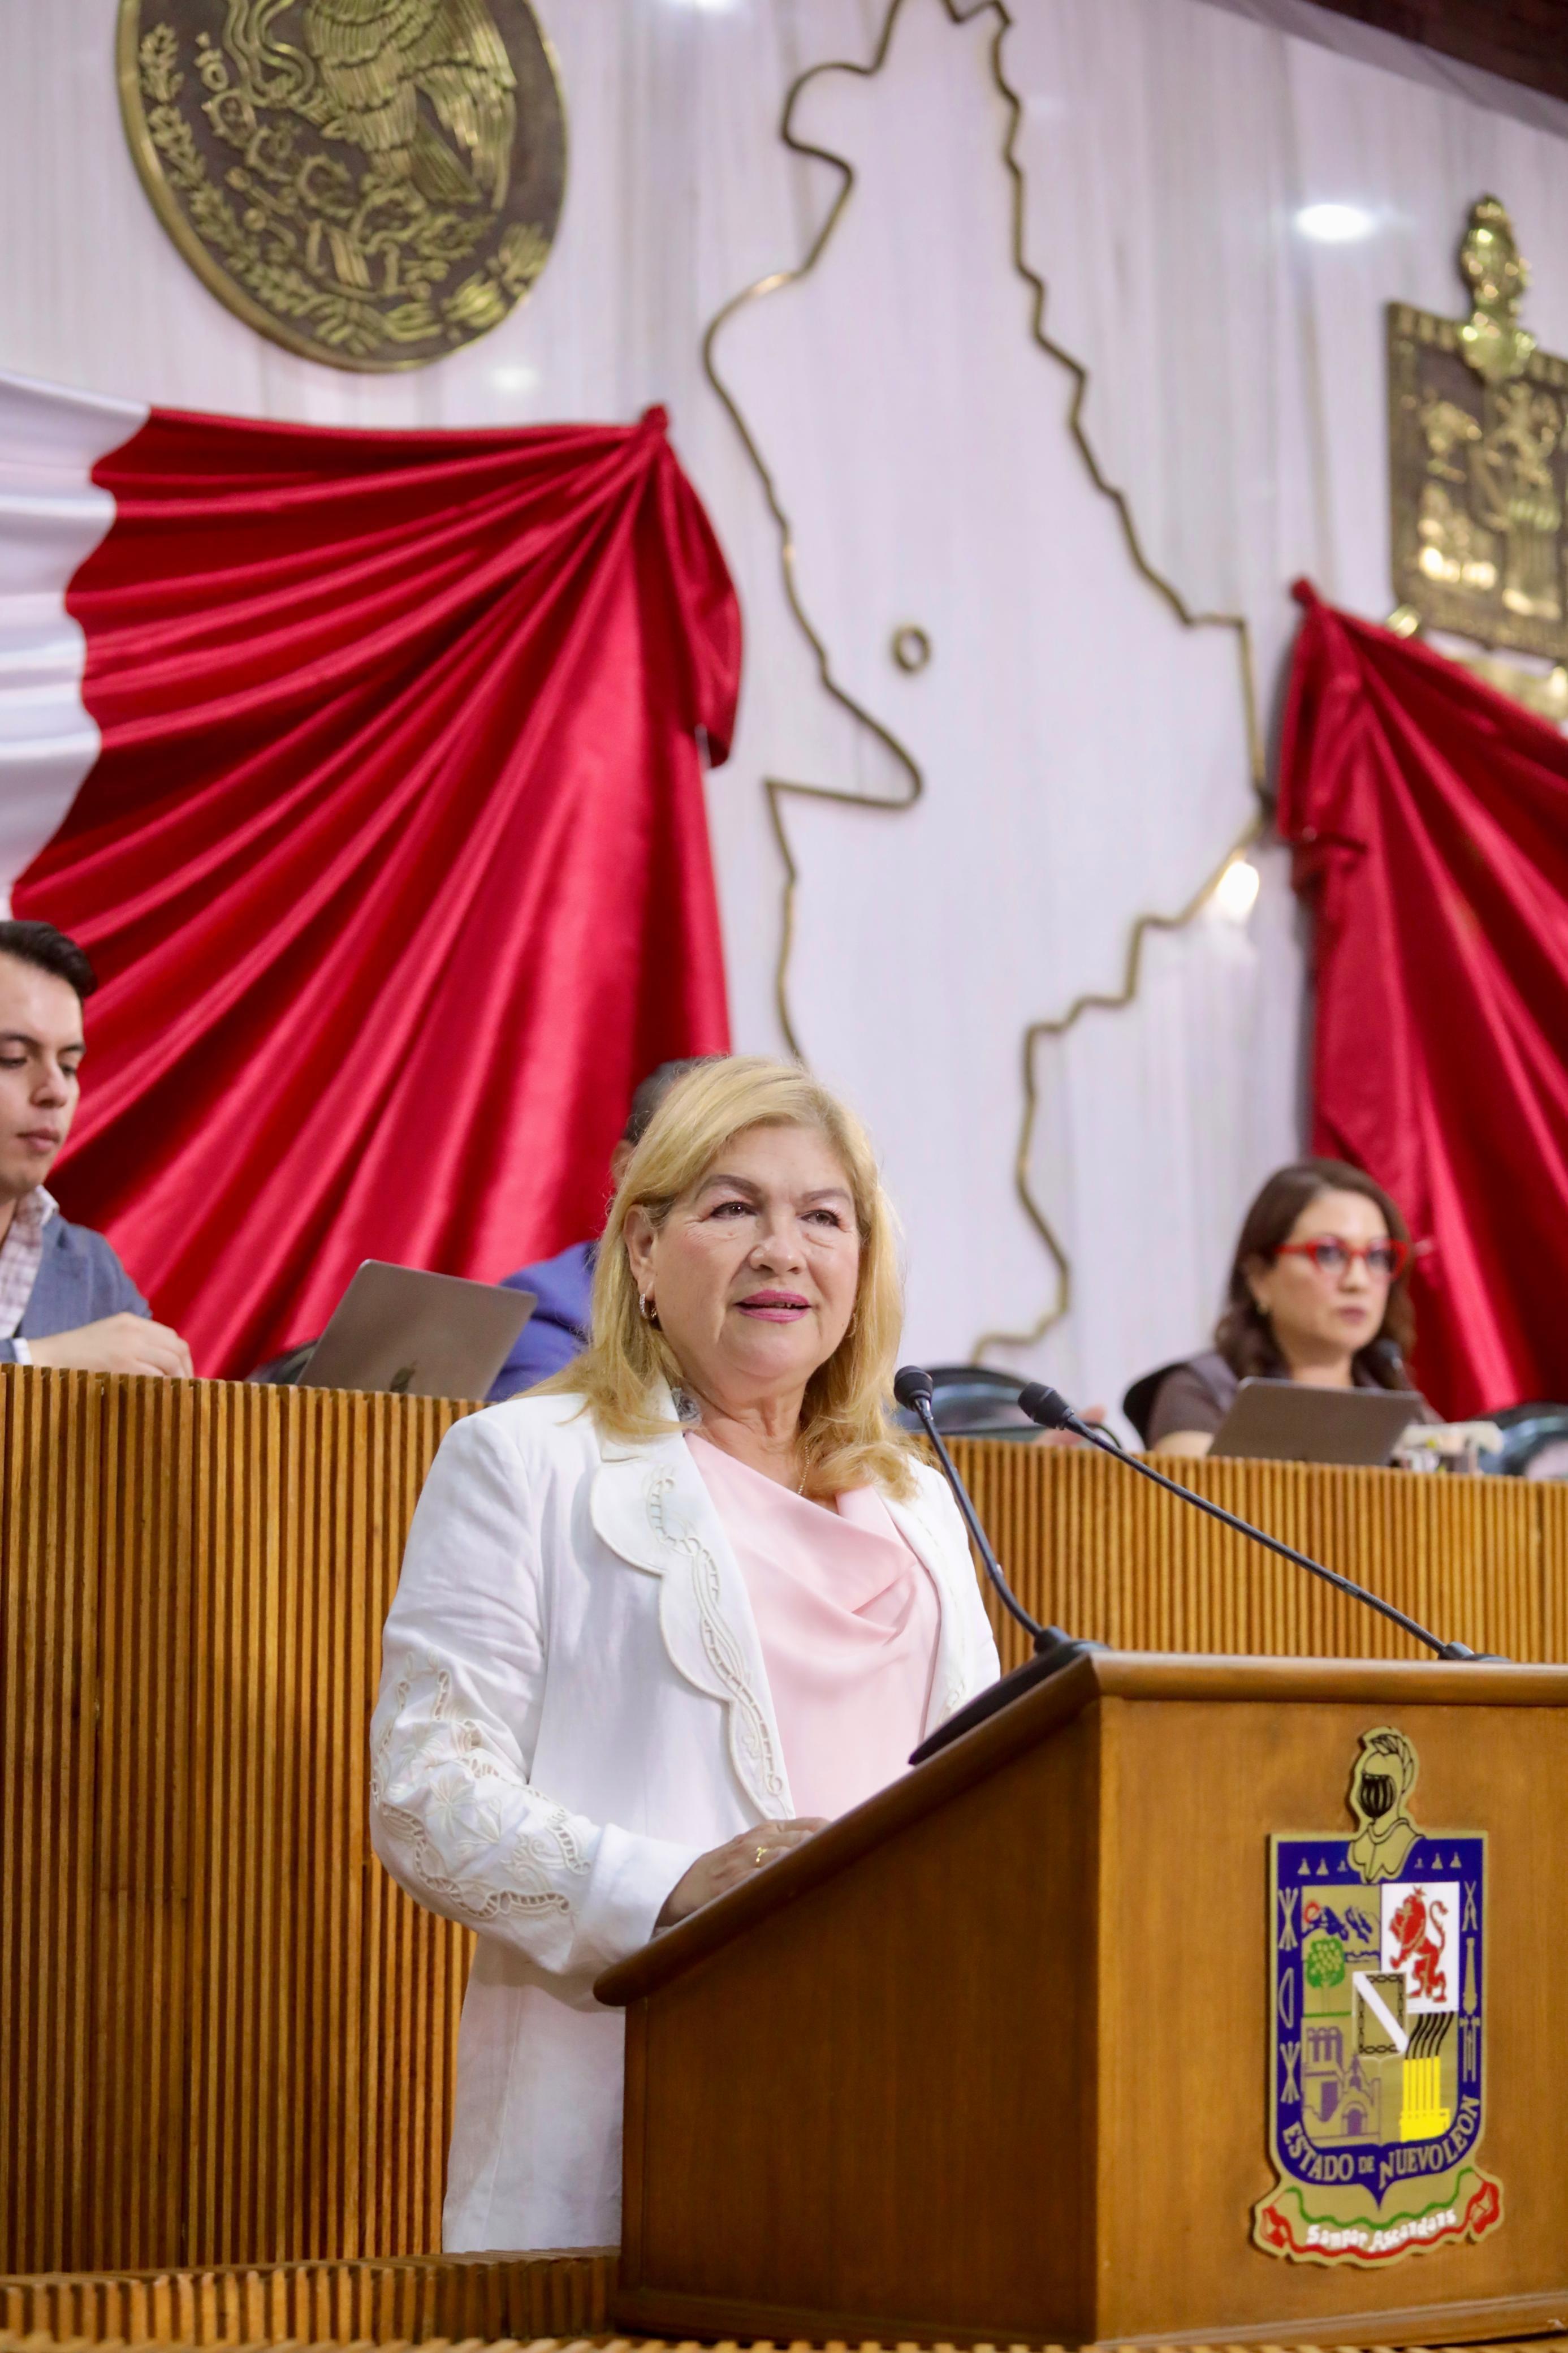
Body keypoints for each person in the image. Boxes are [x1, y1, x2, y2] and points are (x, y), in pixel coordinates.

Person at [370, 1055, 1000, 2252]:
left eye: (824, 1216)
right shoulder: (524, 1461)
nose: (783, 1249)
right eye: (732, 1207)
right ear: (643, 1253)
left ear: (861, 1269)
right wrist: (673, 1886)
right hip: (629, 2113)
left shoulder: (918, 1500)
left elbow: (982, 1795)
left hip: (898, 2113)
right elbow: (425, 1793)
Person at [1122, 1158, 1419, 1456]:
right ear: (1259, 1278)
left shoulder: (1393, 1392)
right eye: (1329, 1253)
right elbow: (1187, 1500)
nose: (1358, 1281)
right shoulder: (1203, 1390)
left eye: (1377, 1257)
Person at [0, 920, 191, 1377]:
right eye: (13, 1058)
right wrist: (35, 1362)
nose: (55, 1091)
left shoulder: (92, 1273)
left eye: (68, 1066)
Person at [489, 1057, 714, 1399]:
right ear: (628, 1168)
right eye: (695, 1155)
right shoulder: (552, 1309)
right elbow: (555, 1444)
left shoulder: (795, 1296)